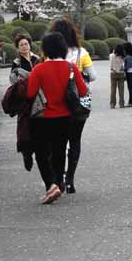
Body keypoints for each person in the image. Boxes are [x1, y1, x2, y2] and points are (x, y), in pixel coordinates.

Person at [26, 31, 88, 204]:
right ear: (62, 48)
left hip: (43, 117)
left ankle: (50, 184)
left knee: (41, 152)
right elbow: (83, 91)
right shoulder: (71, 68)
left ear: (45, 49)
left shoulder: (39, 69)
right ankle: (59, 183)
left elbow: (30, 94)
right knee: (59, 150)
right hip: (65, 117)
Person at [49, 18, 95, 193]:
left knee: (57, 142)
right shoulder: (81, 52)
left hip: (55, 104)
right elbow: (93, 75)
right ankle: (70, 180)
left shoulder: (49, 53)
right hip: (77, 104)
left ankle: (57, 179)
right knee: (75, 140)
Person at [123, 41, 132, 107]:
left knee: (130, 87)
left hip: (129, 73)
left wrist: (123, 69)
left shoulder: (128, 56)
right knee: (130, 87)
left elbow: (128, 66)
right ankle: (131, 102)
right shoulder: (131, 55)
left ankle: (131, 102)